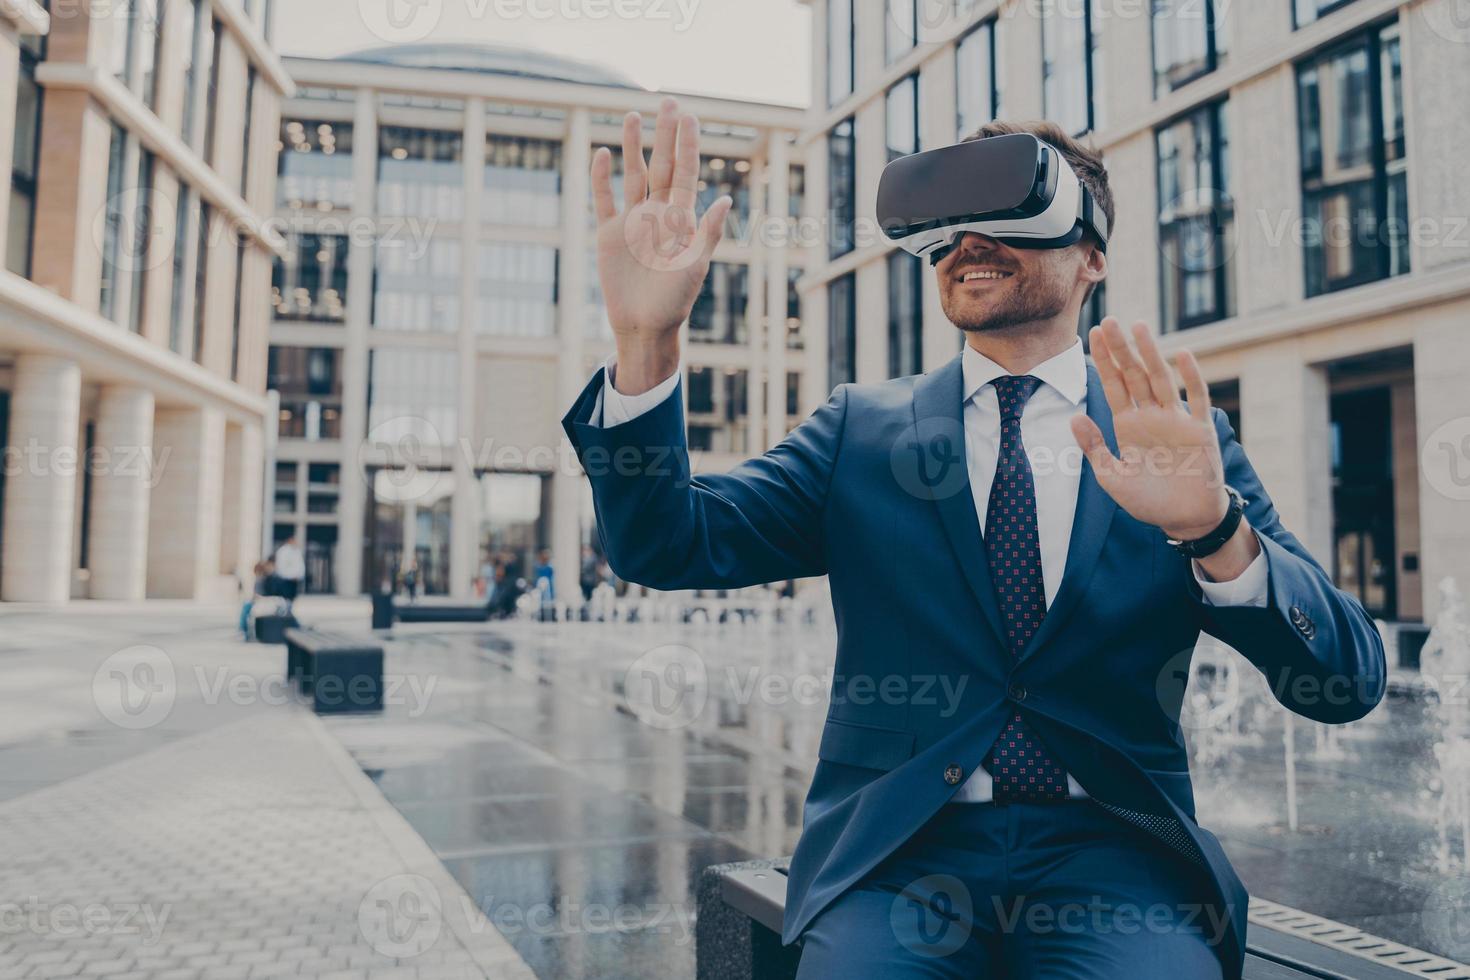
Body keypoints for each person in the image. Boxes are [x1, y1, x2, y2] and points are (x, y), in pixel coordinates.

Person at [562, 99, 1386, 979]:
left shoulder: (1176, 442)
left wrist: (1212, 530)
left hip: (1115, 861)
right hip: (897, 857)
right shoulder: (861, 431)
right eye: (948, 225)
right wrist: (646, 343)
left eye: (1009, 216)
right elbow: (667, 545)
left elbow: (1345, 681)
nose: (969, 241)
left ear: (1092, 258)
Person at [239, 559, 273, 640]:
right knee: (245, 607)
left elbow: (264, 593)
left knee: (246, 609)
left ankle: (244, 630)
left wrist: (255, 598)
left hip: (261, 601)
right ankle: (244, 630)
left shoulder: (263, 579)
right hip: (257, 601)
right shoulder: (259, 579)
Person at [272, 536, 305, 613]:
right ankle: (283, 611)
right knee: (285, 597)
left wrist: (299, 575)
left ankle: (288, 611)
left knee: (291, 597)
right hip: (286, 579)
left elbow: (299, 565)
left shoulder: (296, 551)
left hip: (294, 579)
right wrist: (290, 575)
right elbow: (282, 566)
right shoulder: (283, 551)